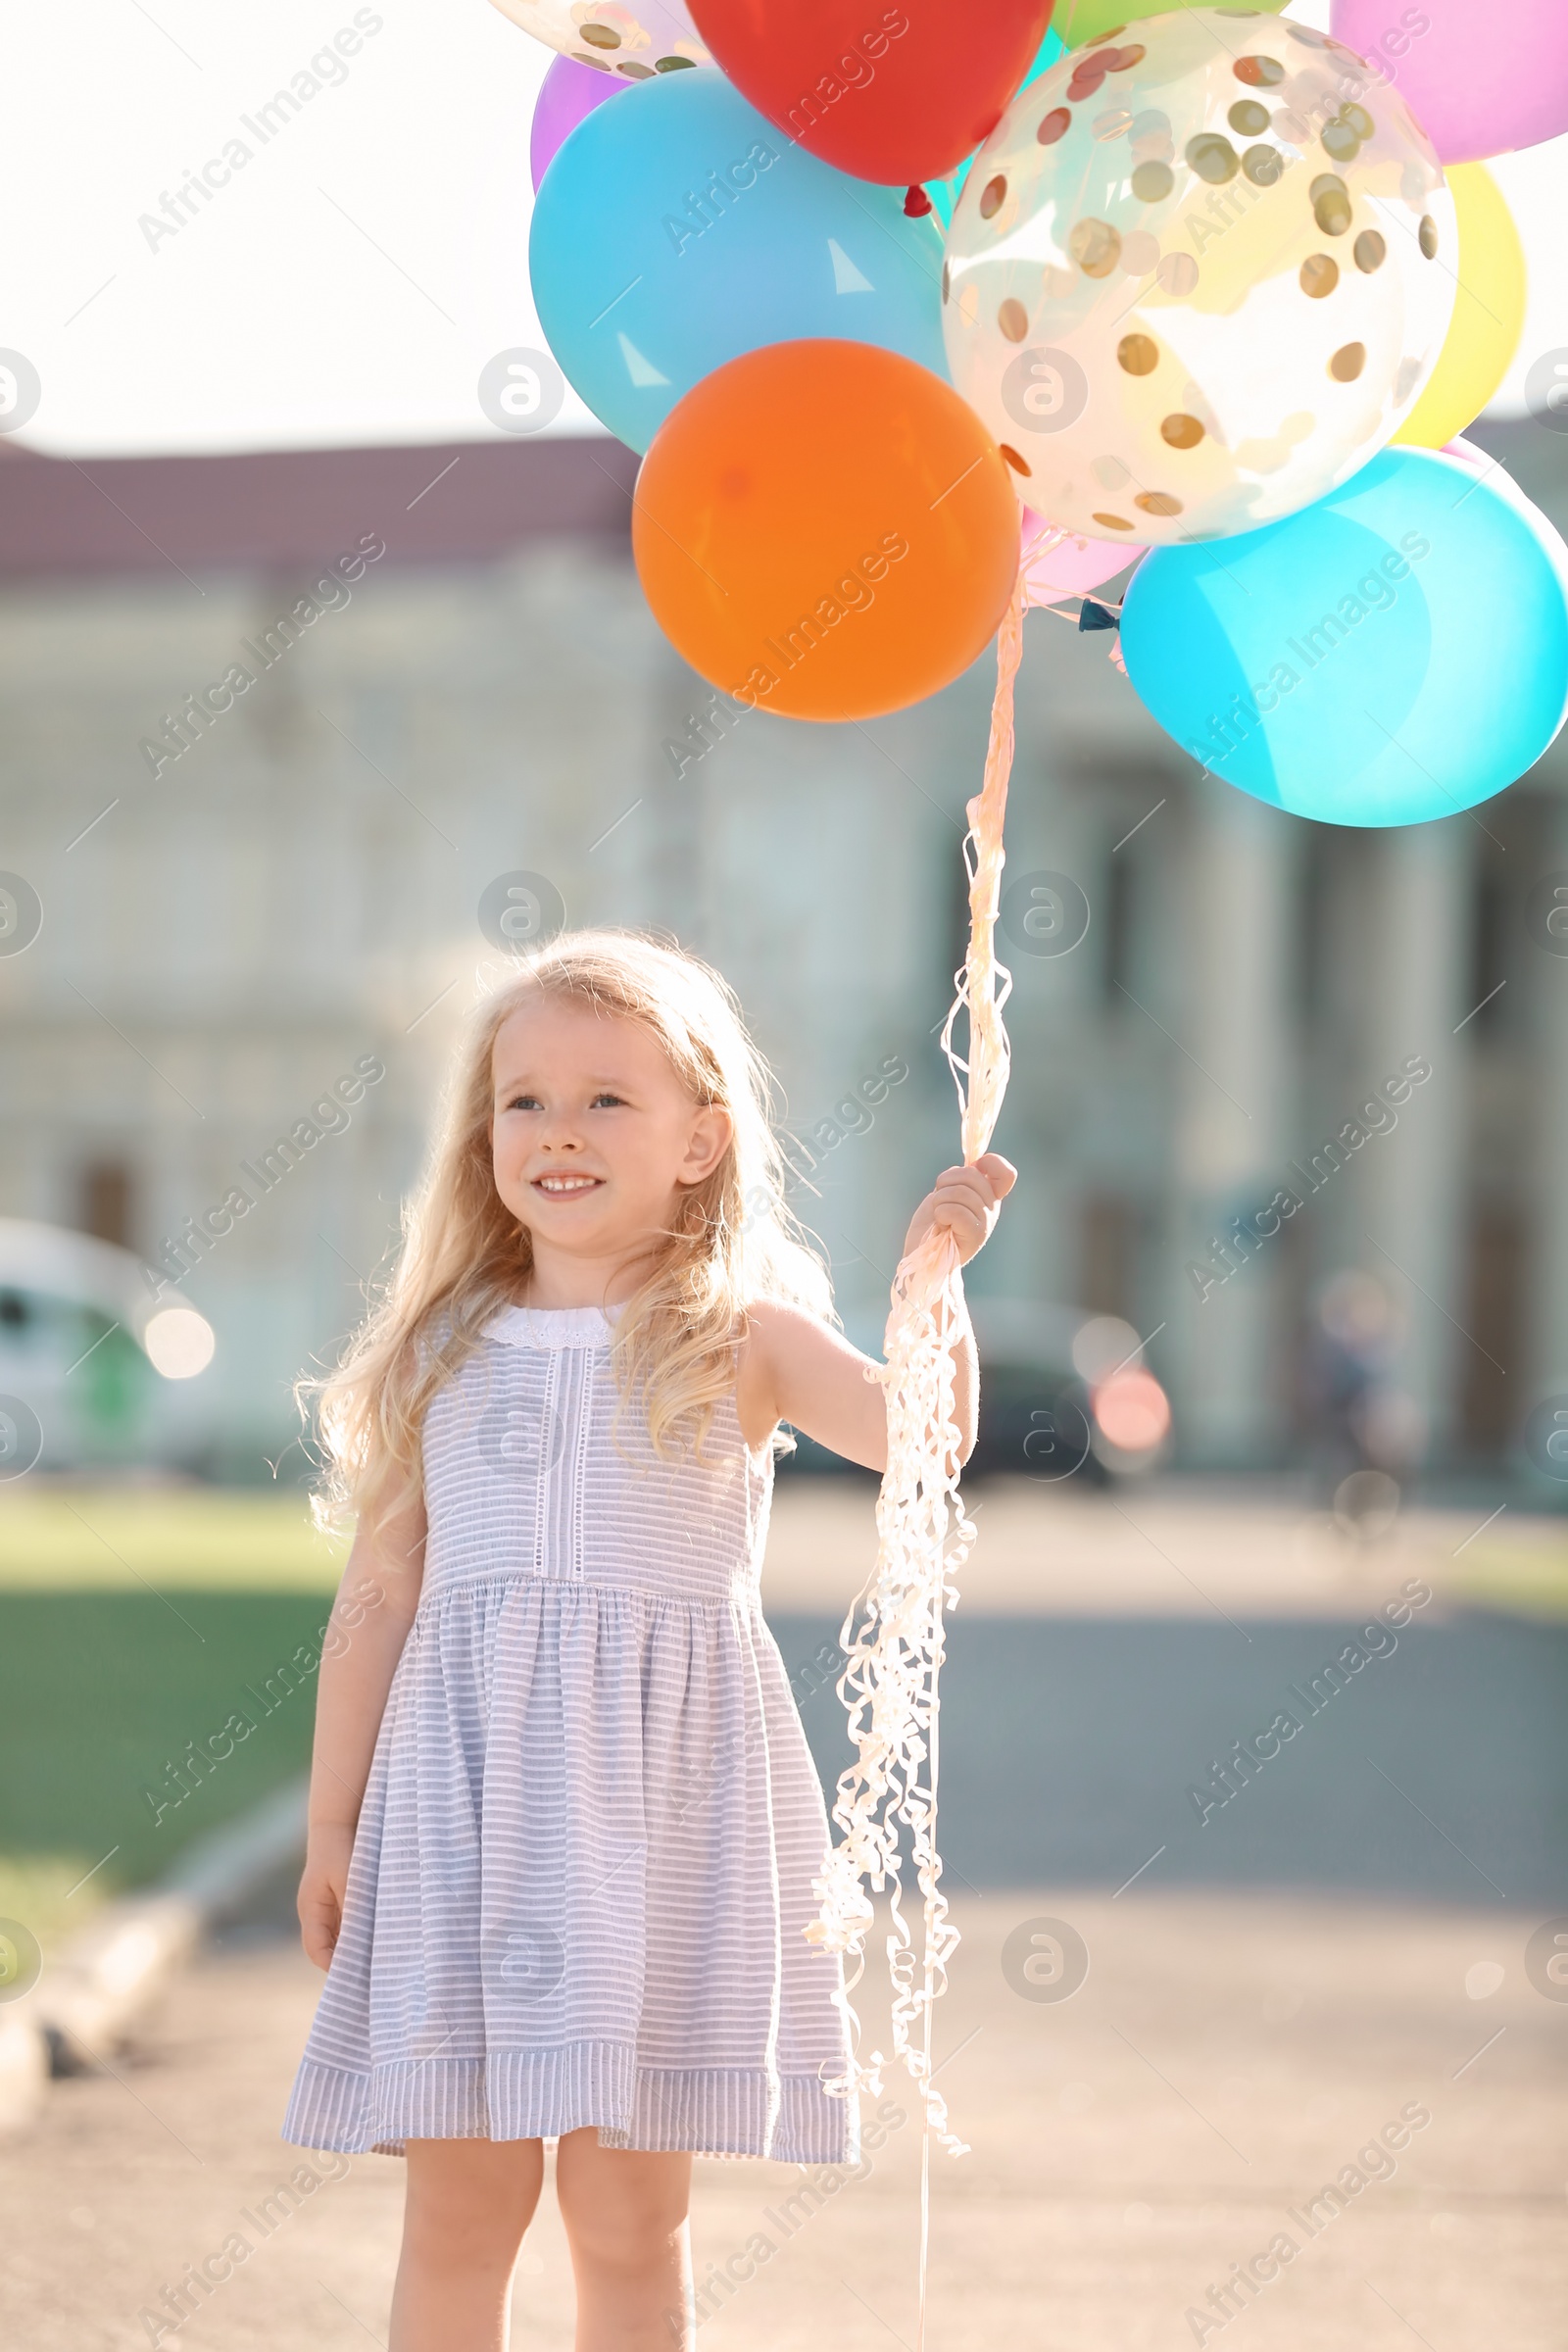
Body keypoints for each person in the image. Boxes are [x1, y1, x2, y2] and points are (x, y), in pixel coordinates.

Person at [281, 929, 1014, 2352]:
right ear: (482, 1134)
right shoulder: (446, 1349)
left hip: (657, 1828)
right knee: (458, 2212)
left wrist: (933, 1276)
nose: (559, 1131)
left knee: (629, 2222)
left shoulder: (742, 1338)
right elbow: (375, 1601)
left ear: (701, 1139)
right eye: (525, 1100)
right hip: (466, 1823)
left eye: (608, 1099)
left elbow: (926, 1440)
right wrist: (331, 1825)